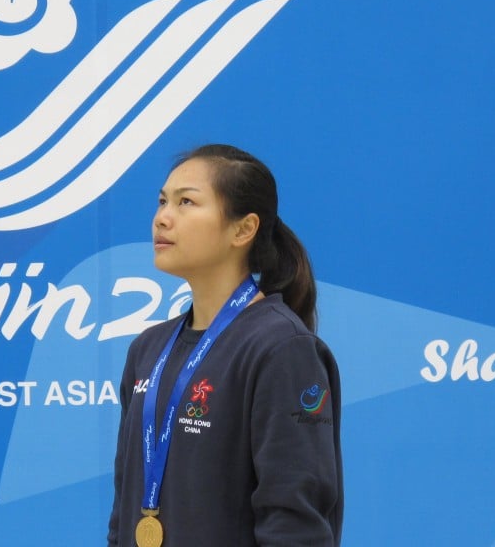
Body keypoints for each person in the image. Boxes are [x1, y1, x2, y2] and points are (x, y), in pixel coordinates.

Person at [107, 144, 343, 547]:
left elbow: (295, 524)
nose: (163, 218)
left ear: (243, 229)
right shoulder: (147, 349)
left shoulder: (282, 348)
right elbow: (124, 511)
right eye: (162, 201)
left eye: (186, 202)